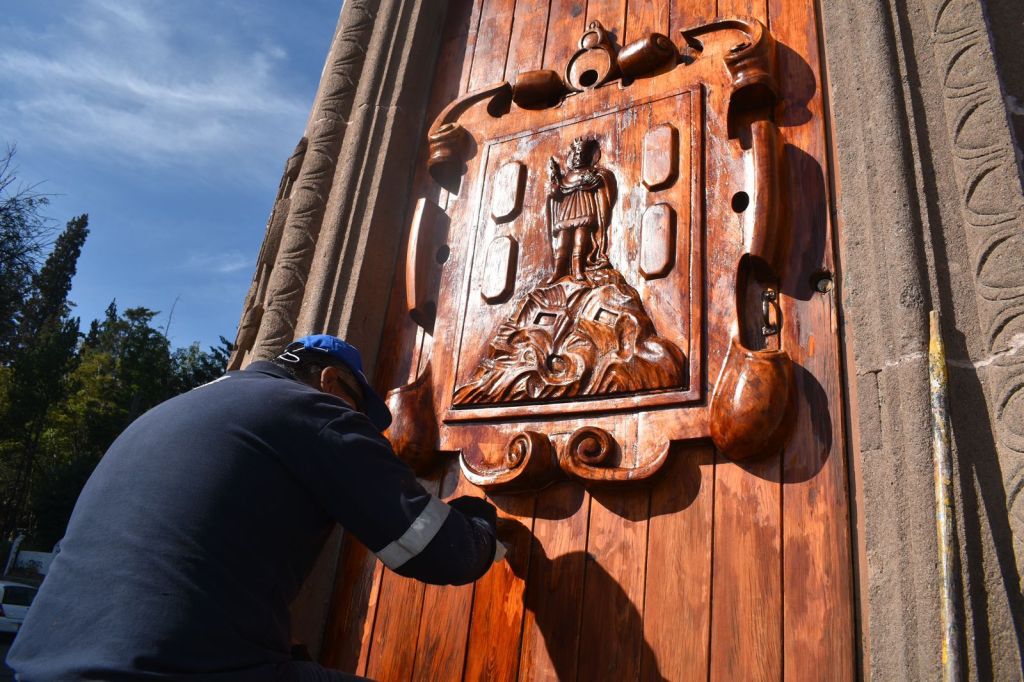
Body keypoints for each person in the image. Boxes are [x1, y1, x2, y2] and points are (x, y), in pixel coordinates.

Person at [8, 334, 502, 681]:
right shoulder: (311, 409)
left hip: (36, 665)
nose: (366, 433)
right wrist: (481, 520)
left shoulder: (172, 410)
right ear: (331, 383)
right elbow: (441, 554)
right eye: (361, 416)